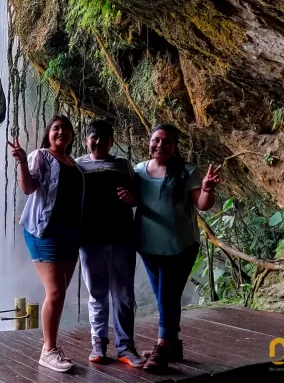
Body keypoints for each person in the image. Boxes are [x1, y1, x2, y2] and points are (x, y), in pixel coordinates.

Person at [134, 124, 221, 372]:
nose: (160, 145)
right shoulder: (139, 170)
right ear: (149, 142)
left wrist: (207, 189)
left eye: (167, 141)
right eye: (156, 140)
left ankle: (162, 348)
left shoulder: (187, 171)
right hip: (148, 246)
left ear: (175, 146)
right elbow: (133, 199)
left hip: (179, 246)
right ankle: (172, 345)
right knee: (164, 298)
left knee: (167, 297)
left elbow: (202, 205)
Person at [9, 115, 84, 373]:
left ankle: (52, 346)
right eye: (56, 128)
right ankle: (48, 351)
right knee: (55, 292)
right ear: (49, 134)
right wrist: (20, 161)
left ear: (72, 135)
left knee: (60, 293)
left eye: (65, 128)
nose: (61, 131)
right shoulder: (41, 155)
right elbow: (29, 187)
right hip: (44, 232)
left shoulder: (75, 163)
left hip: (70, 235)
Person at [75, 120, 145, 367]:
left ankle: (126, 346)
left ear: (111, 142)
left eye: (103, 138)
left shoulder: (123, 165)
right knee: (96, 293)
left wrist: (131, 198)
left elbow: (139, 197)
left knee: (124, 294)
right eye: (93, 137)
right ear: (86, 140)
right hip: (89, 240)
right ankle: (99, 344)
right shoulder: (78, 165)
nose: (98, 141)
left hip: (121, 238)